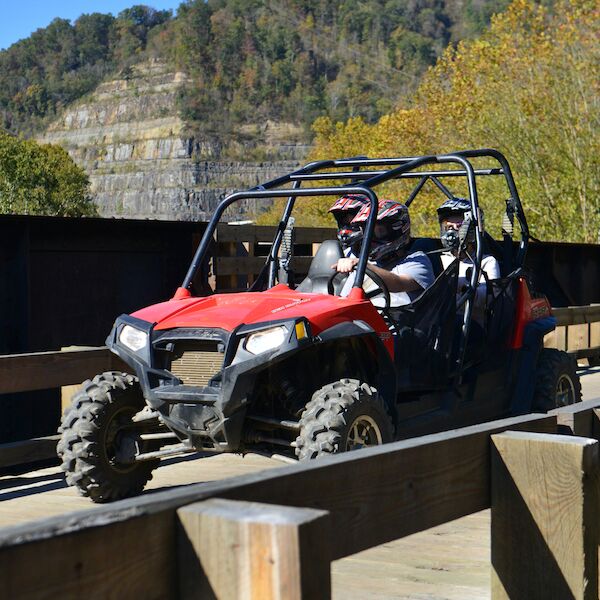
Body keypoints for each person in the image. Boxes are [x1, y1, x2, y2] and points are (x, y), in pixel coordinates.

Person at [334, 199, 434, 308]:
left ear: (397, 230)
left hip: (395, 322)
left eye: (379, 232)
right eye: (367, 232)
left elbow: (399, 284)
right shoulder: (365, 263)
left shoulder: (417, 260)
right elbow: (343, 301)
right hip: (361, 321)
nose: (370, 239)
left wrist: (363, 265)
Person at [437, 197, 500, 325]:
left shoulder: (486, 262)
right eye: (449, 227)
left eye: (459, 227)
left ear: (471, 229)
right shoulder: (439, 259)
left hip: (472, 327)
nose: (452, 232)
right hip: (441, 325)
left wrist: (459, 285)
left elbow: (489, 298)